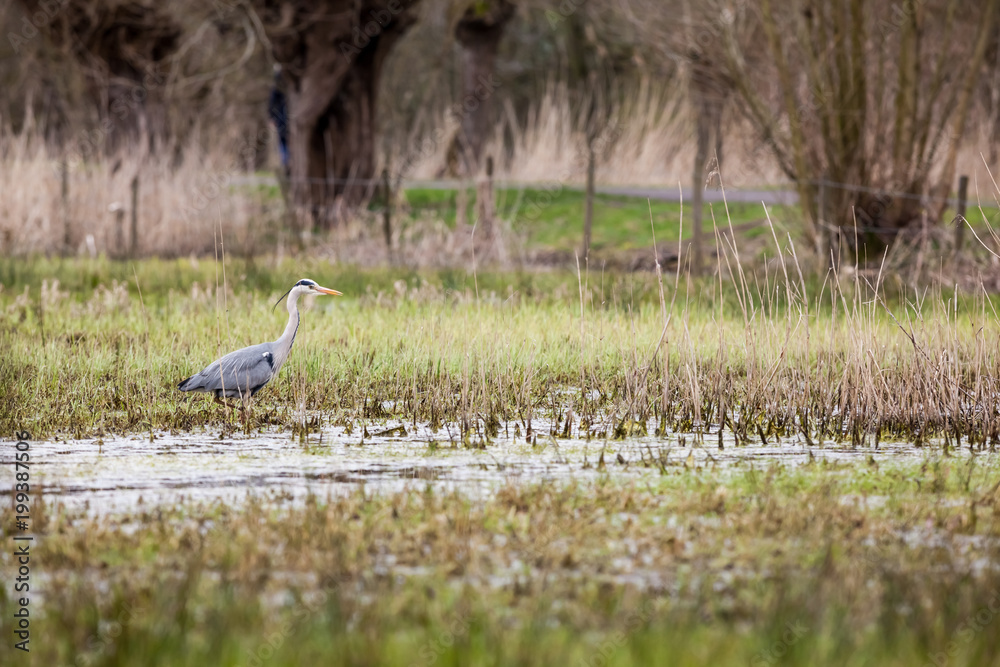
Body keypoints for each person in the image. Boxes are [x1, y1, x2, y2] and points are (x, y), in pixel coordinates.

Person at [268, 64, 289, 173]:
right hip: (283, 119)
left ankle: (286, 162)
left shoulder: (278, 88)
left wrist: (272, 117)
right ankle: (286, 163)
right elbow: (271, 104)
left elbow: (271, 104)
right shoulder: (279, 88)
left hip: (283, 119)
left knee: (284, 141)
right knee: (283, 141)